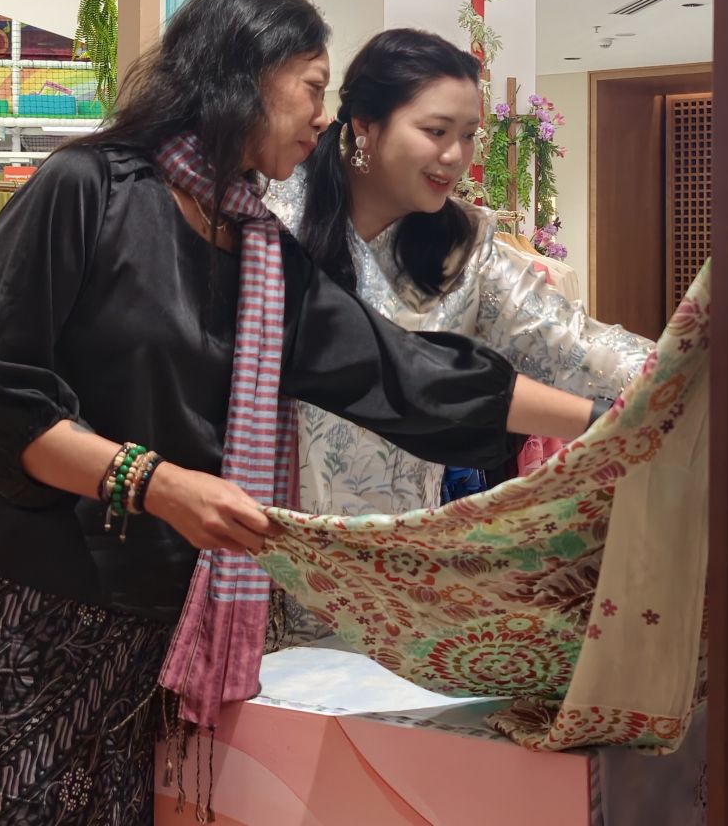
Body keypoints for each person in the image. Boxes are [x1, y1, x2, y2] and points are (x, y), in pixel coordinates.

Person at [0, 0, 605, 825]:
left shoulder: (256, 249)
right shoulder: (88, 188)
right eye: (314, 87)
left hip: (167, 625)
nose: (323, 116)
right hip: (35, 604)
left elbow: (398, 372)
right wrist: (157, 483)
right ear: (246, 73)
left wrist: (603, 423)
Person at [270, 27, 652, 523]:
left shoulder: (466, 250)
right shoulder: (273, 215)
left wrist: (691, 370)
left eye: (469, 135)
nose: (455, 156)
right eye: (436, 131)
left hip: (389, 554)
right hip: (257, 541)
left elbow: (575, 346)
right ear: (365, 124)